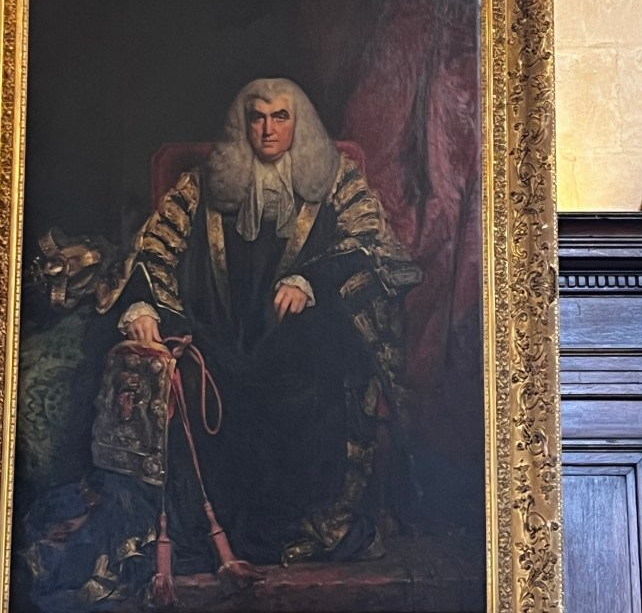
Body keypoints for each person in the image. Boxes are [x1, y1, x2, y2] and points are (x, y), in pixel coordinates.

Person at [20, 78, 422, 608]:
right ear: (243, 123)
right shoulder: (202, 184)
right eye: (257, 117)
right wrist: (144, 307)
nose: (268, 129)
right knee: (191, 379)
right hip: (220, 347)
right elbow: (152, 252)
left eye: (281, 117)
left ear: (298, 122)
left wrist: (311, 280)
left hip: (300, 352)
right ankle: (210, 533)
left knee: (322, 367)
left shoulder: (337, 179)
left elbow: (374, 246)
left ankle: (290, 528)